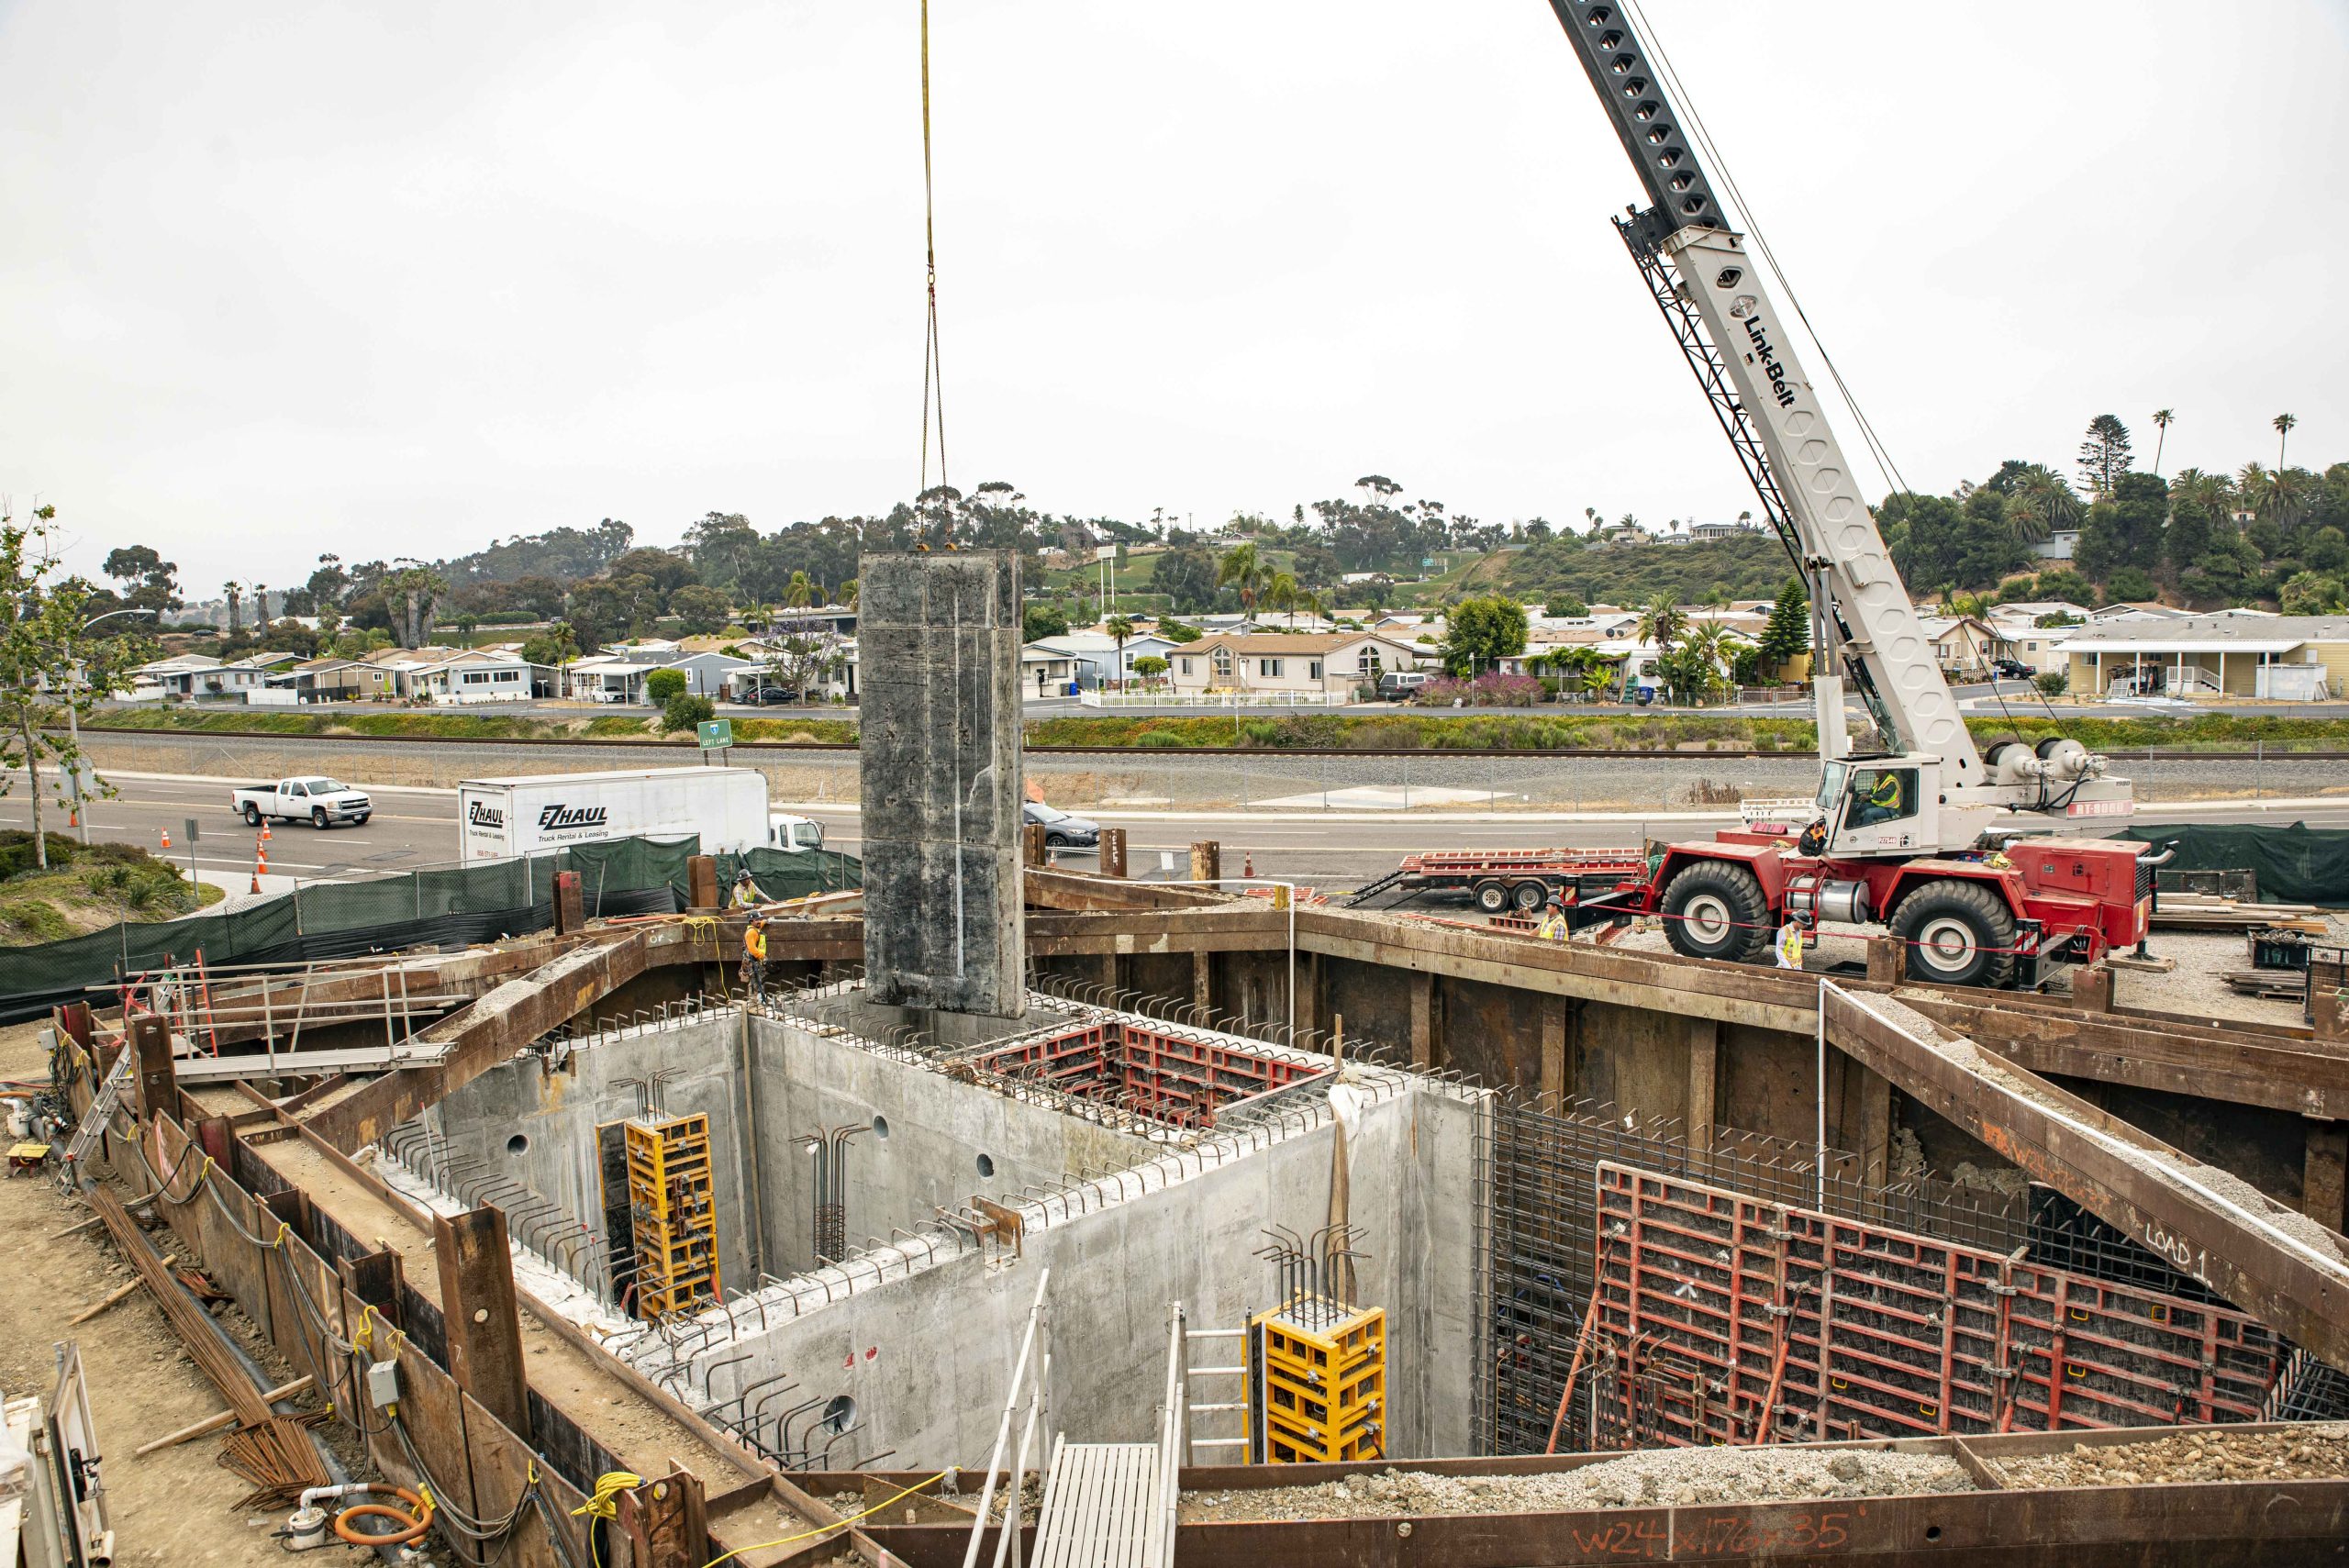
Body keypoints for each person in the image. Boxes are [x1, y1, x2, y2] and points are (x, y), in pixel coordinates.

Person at [740, 916, 769, 1002]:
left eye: (760, 919)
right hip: (752, 960)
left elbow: (760, 925)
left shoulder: (755, 928)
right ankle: (752, 1003)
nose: (759, 921)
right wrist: (762, 956)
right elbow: (752, 949)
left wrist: (765, 921)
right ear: (751, 921)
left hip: (755, 959)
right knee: (754, 981)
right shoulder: (751, 933)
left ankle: (757, 999)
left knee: (758, 979)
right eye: (757, 920)